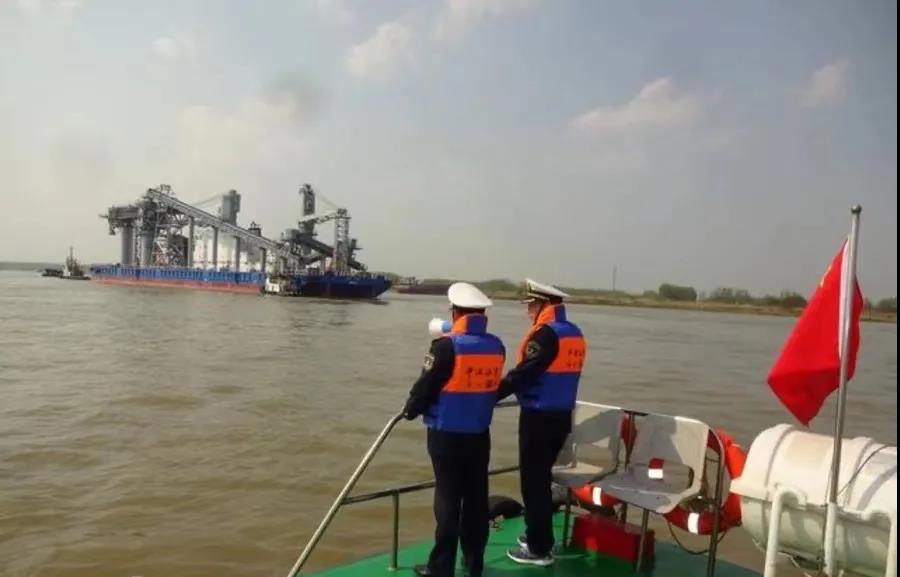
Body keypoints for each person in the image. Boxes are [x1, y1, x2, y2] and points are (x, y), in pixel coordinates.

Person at [403, 282, 506, 577]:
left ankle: (441, 567)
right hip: (479, 434)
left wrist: (410, 409)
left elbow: (424, 388)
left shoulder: (445, 347)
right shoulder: (497, 346)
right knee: (475, 500)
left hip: (446, 435)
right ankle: (474, 563)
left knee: (448, 501)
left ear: (455, 312)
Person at [498, 278, 586, 566]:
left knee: (533, 483)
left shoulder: (546, 335)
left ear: (543, 305)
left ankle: (539, 548)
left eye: (531, 305)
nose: (528, 311)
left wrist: (491, 394)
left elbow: (525, 373)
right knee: (541, 479)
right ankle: (539, 534)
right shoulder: (573, 332)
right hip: (561, 415)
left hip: (539, 416)